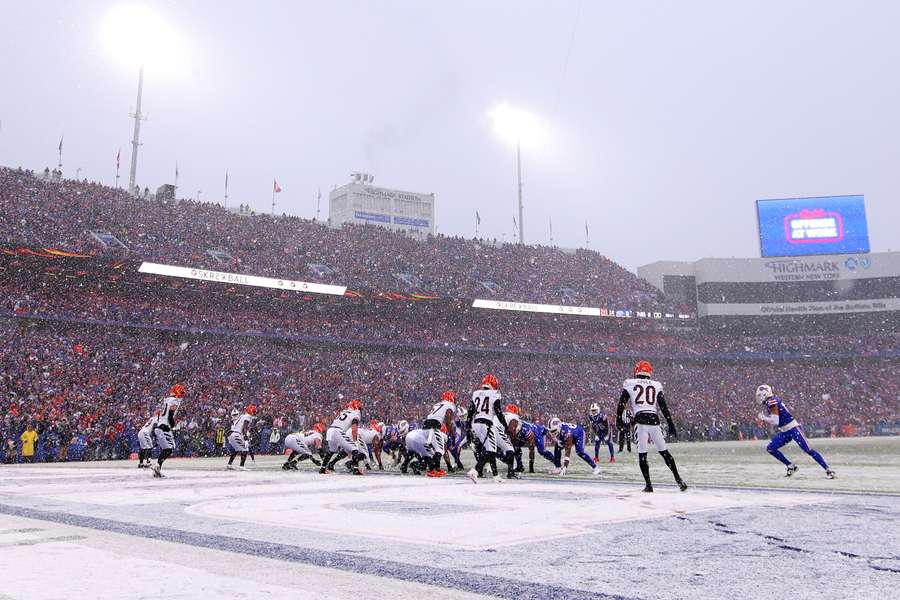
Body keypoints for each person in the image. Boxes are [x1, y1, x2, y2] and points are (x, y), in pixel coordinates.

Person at [616, 361, 687, 492]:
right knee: (665, 453)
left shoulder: (630, 383)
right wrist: (670, 423)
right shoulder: (656, 385)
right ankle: (679, 480)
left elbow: (622, 403)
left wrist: (618, 418)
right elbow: (663, 406)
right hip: (654, 420)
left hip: (640, 421)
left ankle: (649, 485)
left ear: (637, 371)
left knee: (642, 455)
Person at [756, 384, 835, 479]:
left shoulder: (772, 401)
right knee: (770, 448)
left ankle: (828, 470)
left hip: (793, 428)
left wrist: (763, 418)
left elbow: (775, 421)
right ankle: (790, 466)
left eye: (760, 395)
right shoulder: (771, 401)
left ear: (765, 394)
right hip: (785, 431)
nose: (759, 397)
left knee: (808, 450)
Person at [465, 373, 508, 483]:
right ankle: (475, 470)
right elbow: (498, 412)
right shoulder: (495, 393)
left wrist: (468, 426)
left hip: (476, 423)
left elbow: (470, 411)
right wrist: (505, 425)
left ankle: (496, 475)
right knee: (491, 451)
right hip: (486, 423)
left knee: (490, 449)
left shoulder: (476, 393)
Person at [320, 400, 365, 475]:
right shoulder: (355, 414)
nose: (360, 410)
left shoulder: (344, 412)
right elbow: (354, 429)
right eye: (360, 408)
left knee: (331, 450)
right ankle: (356, 469)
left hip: (330, 430)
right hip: (337, 431)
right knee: (354, 448)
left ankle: (323, 468)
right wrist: (355, 441)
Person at [422, 390, 457, 477]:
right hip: (433, 427)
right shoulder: (450, 405)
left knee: (437, 449)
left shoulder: (437, 404)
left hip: (426, 426)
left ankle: (436, 468)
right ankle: (431, 469)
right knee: (440, 450)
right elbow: (448, 421)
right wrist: (452, 433)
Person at [151, 384, 184, 478]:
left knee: (165, 448)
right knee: (169, 448)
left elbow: (158, 413)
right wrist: (173, 427)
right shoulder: (174, 401)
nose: (182, 394)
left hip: (158, 426)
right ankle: (157, 466)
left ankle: (157, 469)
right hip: (164, 427)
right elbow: (170, 416)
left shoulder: (166, 400)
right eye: (181, 392)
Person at [226, 404, 257, 471]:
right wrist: (245, 439)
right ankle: (241, 466)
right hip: (236, 434)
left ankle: (229, 464)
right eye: (254, 411)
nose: (255, 413)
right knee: (245, 449)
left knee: (236, 450)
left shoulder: (242, 416)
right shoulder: (248, 417)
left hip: (231, 434)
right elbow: (244, 429)